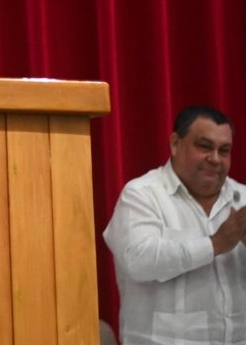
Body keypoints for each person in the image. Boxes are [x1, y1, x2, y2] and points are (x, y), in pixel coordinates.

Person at [103, 105, 246, 344]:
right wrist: (214, 244)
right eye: (204, 146)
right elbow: (138, 260)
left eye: (224, 150)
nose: (215, 159)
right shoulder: (142, 194)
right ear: (175, 144)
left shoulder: (242, 197)